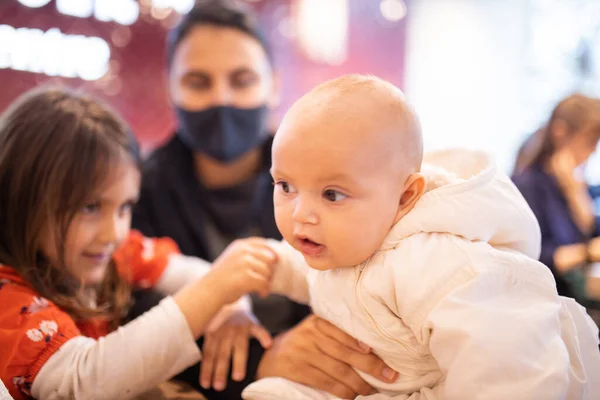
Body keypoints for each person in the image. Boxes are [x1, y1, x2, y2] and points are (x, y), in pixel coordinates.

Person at [242, 75, 600, 399]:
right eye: (286, 186)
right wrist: (261, 265)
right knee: (268, 392)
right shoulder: (339, 241)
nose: (300, 213)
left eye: (332, 194)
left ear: (404, 196)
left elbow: (510, 363)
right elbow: (308, 272)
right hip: (382, 387)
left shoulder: (434, 263)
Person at [132, 1, 398, 398]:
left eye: (241, 80)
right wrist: (262, 363)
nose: (221, 98)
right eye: (198, 82)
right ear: (171, 88)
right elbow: (127, 319)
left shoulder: (335, 178)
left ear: (273, 85)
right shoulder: (137, 190)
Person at [0, 87, 278, 400]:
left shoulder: (116, 253)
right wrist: (216, 290)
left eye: (125, 207)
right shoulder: (7, 298)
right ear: (21, 199)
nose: (113, 233)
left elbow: (193, 273)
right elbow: (82, 381)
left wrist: (233, 309)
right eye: (90, 207)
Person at [513, 94, 600, 302]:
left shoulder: (573, 184)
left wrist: (575, 192)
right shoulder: (527, 186)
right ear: (560, 132)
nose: (594, 150)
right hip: (550, 301)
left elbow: (591, 229)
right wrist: (587, 253)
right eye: (590, 141)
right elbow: (536, 257)